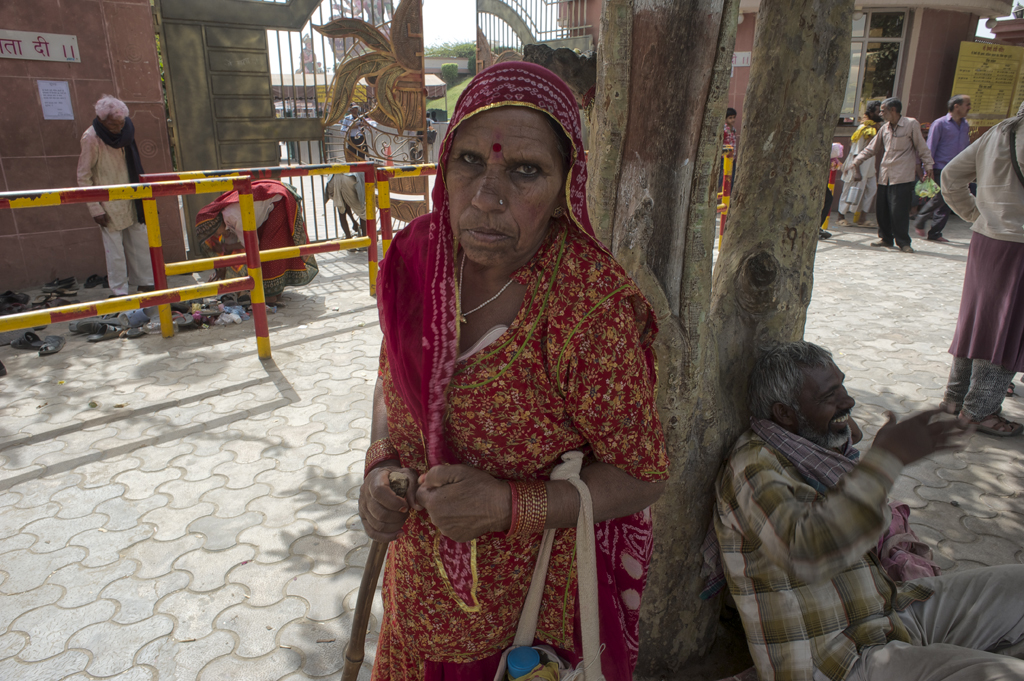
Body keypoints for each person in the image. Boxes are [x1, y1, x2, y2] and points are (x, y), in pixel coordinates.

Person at [360, 62, 669, 679]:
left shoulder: (587, 305)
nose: (485, 197)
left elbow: (643, 475)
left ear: (564, 189)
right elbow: (391, 382)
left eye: (525, 171)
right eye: (469, 161)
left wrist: (508, 506)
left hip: (524, 625)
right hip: (415, 595)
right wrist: (378, 470)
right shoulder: (417, 258)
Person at [714, 341, 1024, 681]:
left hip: (890, 615)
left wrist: (856, 450)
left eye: (842, 386)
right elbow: (807, 554)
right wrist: (886, 461)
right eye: (829, 395)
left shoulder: (812, 452)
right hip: (840, 660)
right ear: (785, 413)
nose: (848, 401)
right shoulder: (754, 466)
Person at [939, 100, 1024, 437]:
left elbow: (950, 177)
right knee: (1006, 329)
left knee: (977, 323)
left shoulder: (999, 132)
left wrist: (977, 216)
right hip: (1018, 246)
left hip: (986, 243)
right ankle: (980, 411)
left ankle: (953, 401)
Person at [76, 95, 155, 297]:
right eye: (113, 124)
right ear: (102, 120)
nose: (118, 128)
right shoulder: (91, 137)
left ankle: (146, 282)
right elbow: (83, 176)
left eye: (121, 124)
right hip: (108, 204)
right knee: (115, 253)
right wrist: (95, 208)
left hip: (133, 198)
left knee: (140, 245)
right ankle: (120, 291)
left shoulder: (126, 130)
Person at [194, 179, 318, 304]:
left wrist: (239, 278)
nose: (217, 235)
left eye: (215, 232)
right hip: (271, 199)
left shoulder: (234, 215)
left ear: (215, 223)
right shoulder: (225, 218)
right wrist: (221, 271)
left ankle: (270, 294)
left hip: (279, 200)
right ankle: (273, 291)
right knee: (265, 248)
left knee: (268, 249)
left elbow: (250, 248)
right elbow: (231, 248)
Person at [850, 97, 934, 253]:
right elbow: (871, 148)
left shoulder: (911, 124)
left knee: (899, 211)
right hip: (885, 175)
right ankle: (886, 238)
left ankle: (903, 242)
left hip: (902, 175)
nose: (881, 113)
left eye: (883, 110)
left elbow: (922, 147)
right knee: (882, 210)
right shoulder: (884, 128)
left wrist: (928, 165)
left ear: (893, 110)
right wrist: (857, 161)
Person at [915, 95, 972, 243]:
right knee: (941, 197)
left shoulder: (965, 125)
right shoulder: (940, 124)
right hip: (941, 167)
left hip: (957, 168)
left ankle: (935, 232)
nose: (969, 108)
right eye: (967, 104)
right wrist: (927, 168)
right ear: (956, 106)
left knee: (947, 202)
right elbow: (931, 146)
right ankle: (921, 218)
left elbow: (966, 147)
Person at [838, 101, 882, 227]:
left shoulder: (876, 129)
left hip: (869, 166)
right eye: (878, 111)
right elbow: (856, 151)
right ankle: (841, 216)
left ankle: (862, 218)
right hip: (857, 165)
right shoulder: (863, 129)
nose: (880, 114)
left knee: (871, 189)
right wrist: (857, 170)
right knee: (848, 190)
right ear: (871, 112)